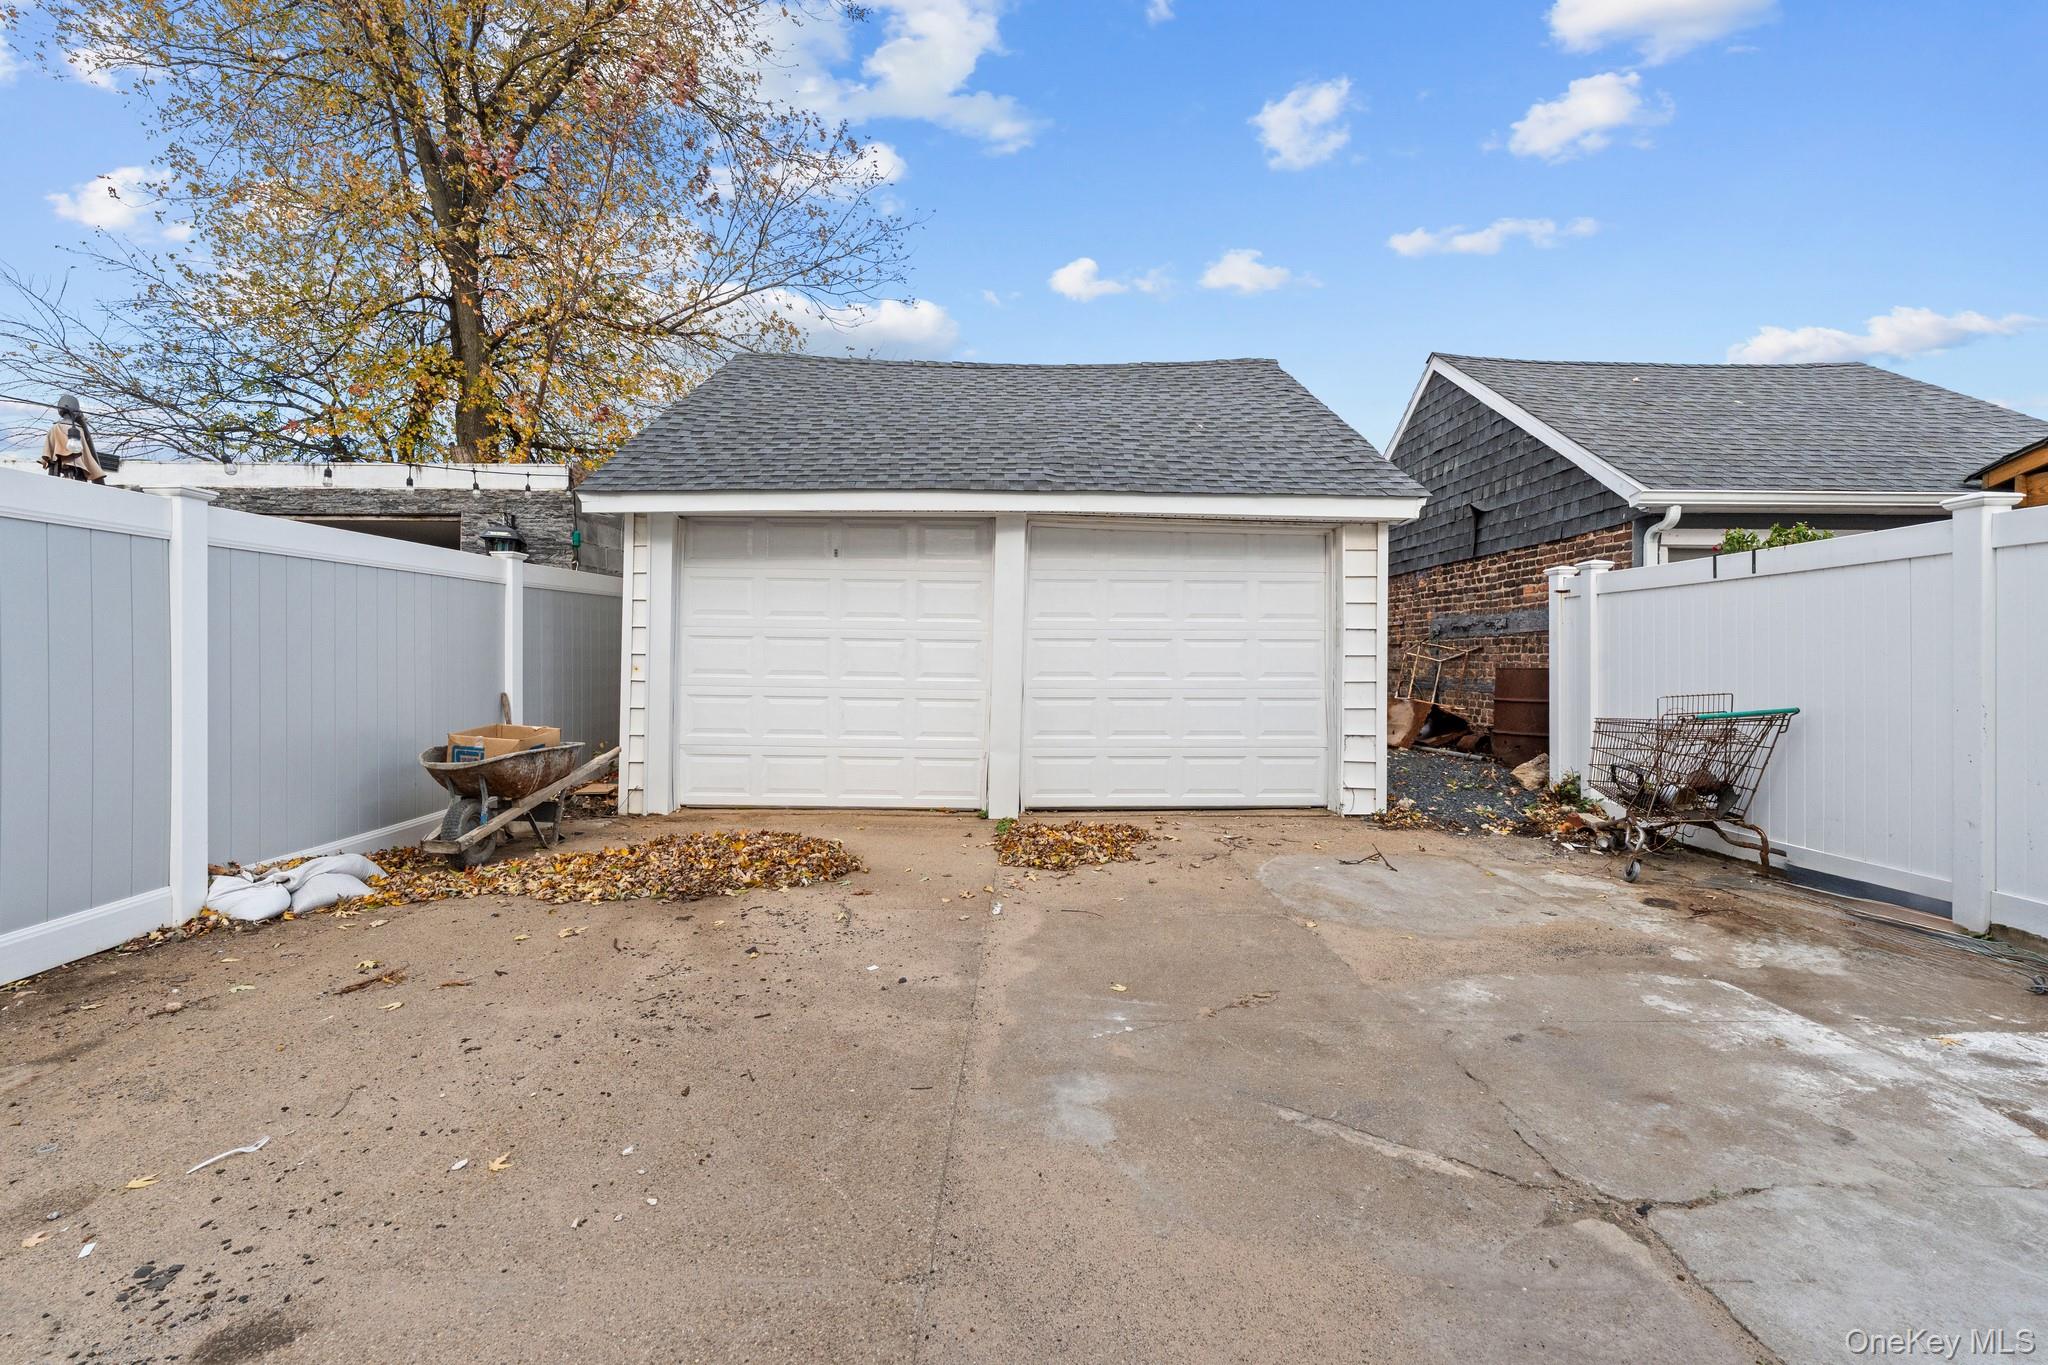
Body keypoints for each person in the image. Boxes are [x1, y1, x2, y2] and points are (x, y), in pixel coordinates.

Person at [40, 395, 107, 482]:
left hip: (66, 462)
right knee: (78, 471)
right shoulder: (79, 429)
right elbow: (85, 450)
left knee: (55, 465)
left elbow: (49, 449)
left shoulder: (56, 427)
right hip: (76, 464)